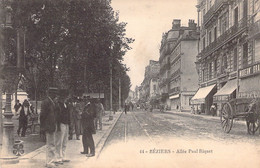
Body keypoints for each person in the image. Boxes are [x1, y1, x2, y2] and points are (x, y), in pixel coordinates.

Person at [40, 87, 58, 168]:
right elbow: (42, 116)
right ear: (50, 93)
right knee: (50, 144)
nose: (56, 95)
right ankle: (49, 162)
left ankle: (51, 160)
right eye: (54, 93)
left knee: (52, 144)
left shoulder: (52, 102)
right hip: (49, 126)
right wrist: (43, 127)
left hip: (52, 125)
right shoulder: (46, 102)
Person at [54, 91, 70, 164]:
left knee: (65, 141)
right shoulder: (58, 105)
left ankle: (63, 156)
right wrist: (58, 126)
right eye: (64, 97)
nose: (65, 98)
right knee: (59, 141)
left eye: (66, 97)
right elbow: (57, 117)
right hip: (61, 124)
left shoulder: (66, 104)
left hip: (66, 124)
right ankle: (58, 157)